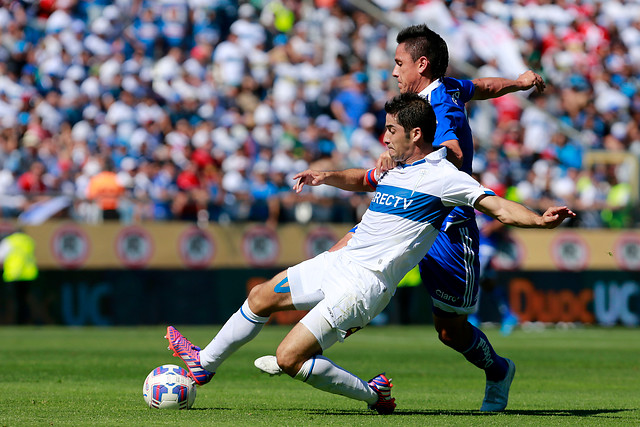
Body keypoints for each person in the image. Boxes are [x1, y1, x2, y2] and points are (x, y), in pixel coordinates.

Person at [165, 94, 575, 414]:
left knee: (288, 358)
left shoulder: (445, 178)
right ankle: (205, 365)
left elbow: (497, 205)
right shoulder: (394, 169)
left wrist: (539, 220)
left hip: (364, 285)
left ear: (415, 135)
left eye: (392, 130)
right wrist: (327, 177)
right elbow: (362, 178)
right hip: (340, 262)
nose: (385, 137)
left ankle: (374, 394)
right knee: (259, 297)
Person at [328, 24, 546, 412]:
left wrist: (400, 157)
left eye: (399, 63)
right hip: (407, 210)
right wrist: (517, 82)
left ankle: (497, 370)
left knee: (449, 331)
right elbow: (482, 87)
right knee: (341, 261)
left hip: (448, 226)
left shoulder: (440, 105)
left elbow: (454, 153)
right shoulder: (446, 89)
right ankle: (295, 349)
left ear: (421, 64)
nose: (394, 72)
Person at [467, 210, 520, 335]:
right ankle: (509, 316)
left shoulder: (486, 196)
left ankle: (472, 317)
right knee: (488, 284)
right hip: (473, 247)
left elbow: (506, 214)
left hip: (485, 247)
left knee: (474, 278)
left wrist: (492, 226)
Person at [0, 229, 38, 324]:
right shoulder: (29, 241)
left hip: (13, 275)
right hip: (29, 275)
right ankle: (26, 322)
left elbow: (1, 257)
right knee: (24, 300)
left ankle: (13, 322)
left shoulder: (9, 241)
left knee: (12, 300)